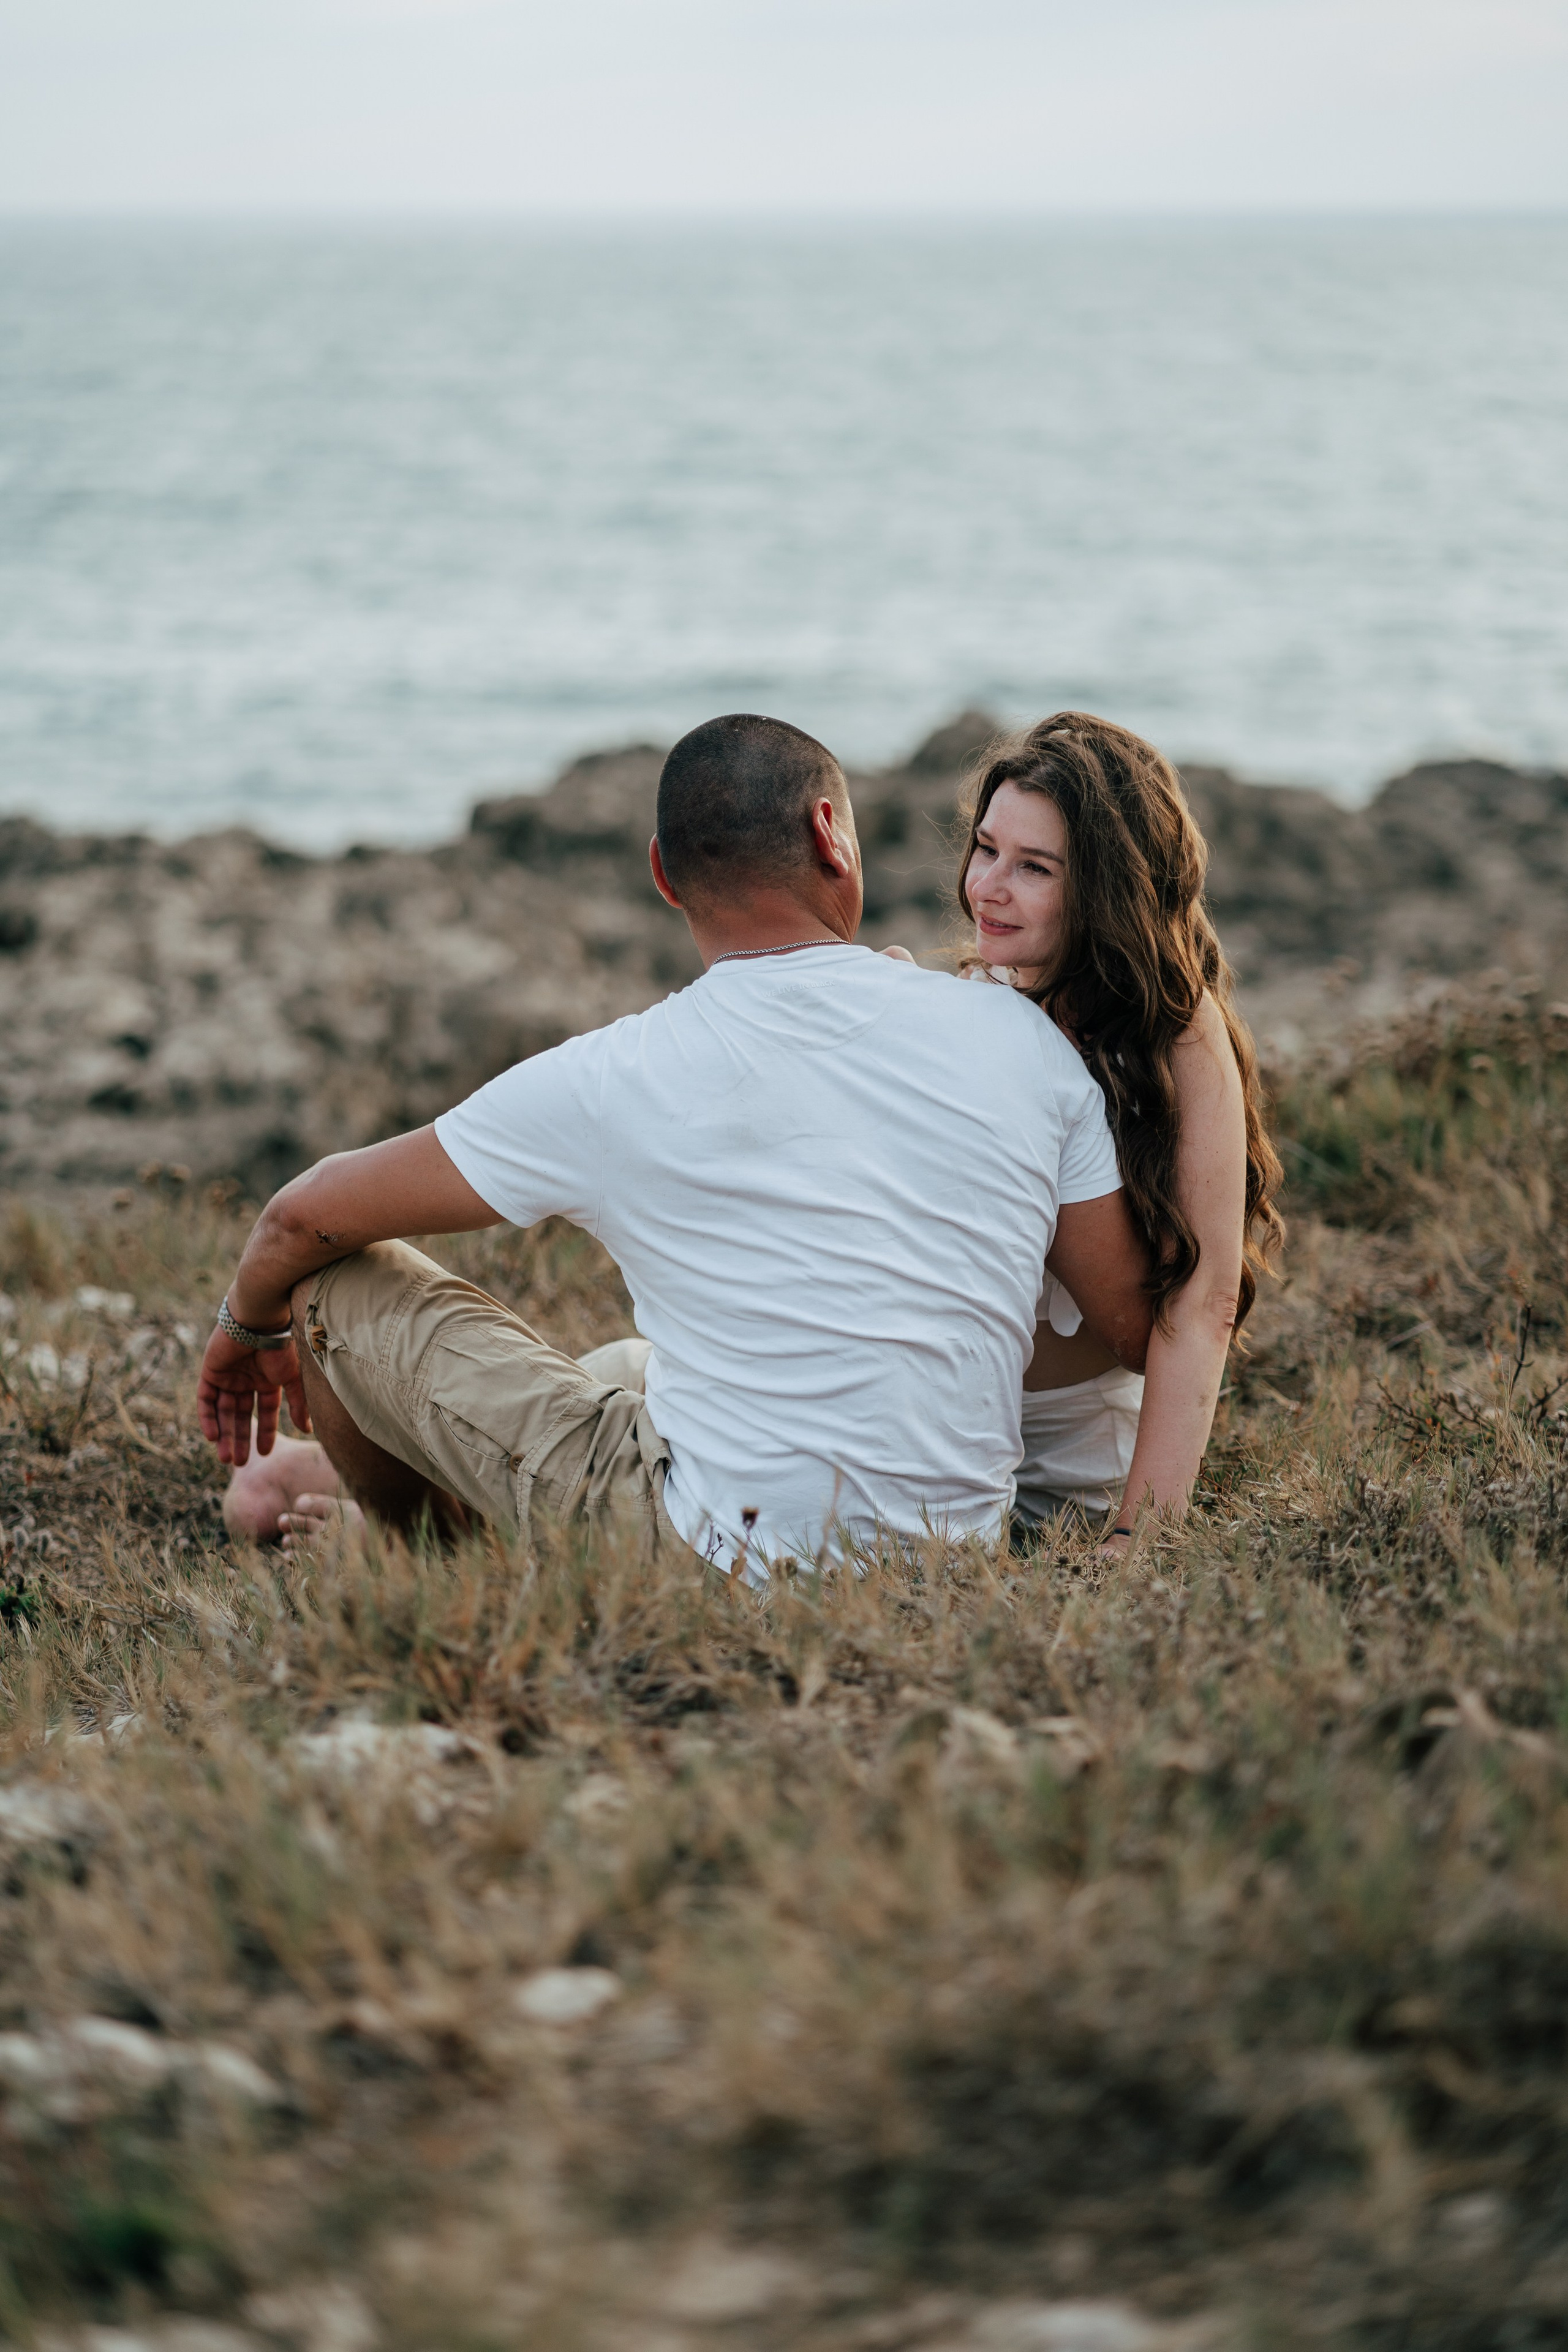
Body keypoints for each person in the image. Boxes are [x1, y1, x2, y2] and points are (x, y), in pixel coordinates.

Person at [207, 712, 1153, 1576]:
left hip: (711, 1563)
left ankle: (441, 1570)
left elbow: (304, 1218)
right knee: (637, 1365)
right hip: (952, 1564)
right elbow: (1131, 1321)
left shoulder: (617, 1074)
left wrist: (244, 1331)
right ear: (832, 834)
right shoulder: (1019, 1039)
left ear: (663, 876)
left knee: (334, 1284)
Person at [948, 712, 1284, 1543]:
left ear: (1102, 889)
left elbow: (1204, 1303)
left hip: (1074, 1456)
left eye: (1034, 867)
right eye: (987, 850)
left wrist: (1139, 1542)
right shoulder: (976, 995)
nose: (989, 886)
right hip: (938, 1426)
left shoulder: (1179, 1032)